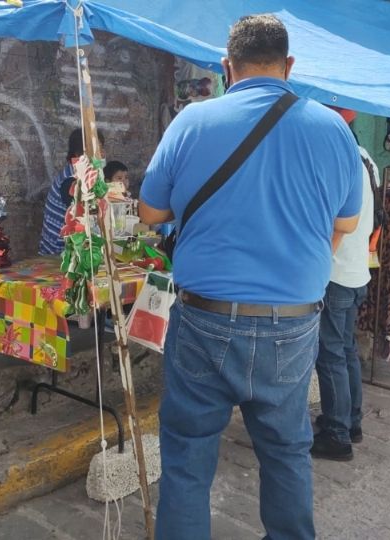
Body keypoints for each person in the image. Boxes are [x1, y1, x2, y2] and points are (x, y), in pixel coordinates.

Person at [139, 15, 362, 540]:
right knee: (286, 451)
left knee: (189, 455)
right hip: (292, 321)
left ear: (225, 67)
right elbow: (346, 223)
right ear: (289, 67)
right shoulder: (332, 127)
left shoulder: (193, 121)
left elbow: (150, 214)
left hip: (203, 317)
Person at [311, 116, 376, 462]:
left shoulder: (340, 165)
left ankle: (337, 434)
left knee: (331, 355)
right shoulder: (364, 161)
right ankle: (350, 423)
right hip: (356, 272)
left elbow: (335, 225)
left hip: (336, 274)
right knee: (345, 350)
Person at [37, 128, 104, 256]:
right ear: (80, 153)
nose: (102, 155)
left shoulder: (83, 174)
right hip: (56, 253)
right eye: (97, 150)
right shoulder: (70, 179)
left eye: (101, 149)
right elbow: (86, 213)